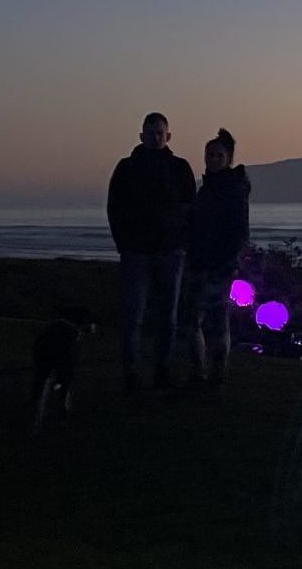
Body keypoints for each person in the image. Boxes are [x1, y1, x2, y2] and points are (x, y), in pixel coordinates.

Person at [106, 112, 196, 391]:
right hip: (136, 253)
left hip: (170, 253)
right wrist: (124, 244)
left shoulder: (180, 168)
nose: (156, 137)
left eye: (160, 133)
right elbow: (115, 208)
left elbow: (190, 208)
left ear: (168, 136)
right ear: (142, 135)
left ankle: (162, 371)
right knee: (133, 316)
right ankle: (131, 374)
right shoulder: (126, 168)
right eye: (151, 132)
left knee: (167, 317)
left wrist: (182, 243)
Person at [185, 128, 250, 390]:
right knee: (195, 321)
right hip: (199, 261)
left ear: (228, 158)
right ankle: (202, 373)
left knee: (215, 321)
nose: (212, 160)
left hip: (218, 265)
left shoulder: (232, 189)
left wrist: (230, 261)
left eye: (218, 156)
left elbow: (239, 230)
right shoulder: (209, 189)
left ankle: (215, 375)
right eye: (209, 155)